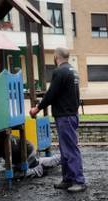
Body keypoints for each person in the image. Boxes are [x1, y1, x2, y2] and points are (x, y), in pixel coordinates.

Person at [29, 48, 86, 193]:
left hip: (64, 116)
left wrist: (37, 108)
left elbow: (50, 95)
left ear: (55, 57)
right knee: (65, 149)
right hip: (71, 114)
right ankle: (67, 179)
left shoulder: (59, 72)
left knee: (70, 149)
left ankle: (79, 181)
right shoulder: (73, 71)